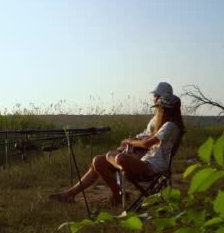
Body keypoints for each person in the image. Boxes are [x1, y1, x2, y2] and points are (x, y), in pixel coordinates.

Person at [49, 87, 184, 205]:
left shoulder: (170, 125)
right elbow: (147, 138)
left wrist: (129, 142)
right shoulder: (165, 124)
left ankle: (117, 182)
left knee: (118, 158)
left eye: (159, 107)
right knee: (99, 161)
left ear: (165, 110)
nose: (157, 109)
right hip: (145, 161)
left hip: (153, 167)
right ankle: (117, 195)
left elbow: (146, 143)